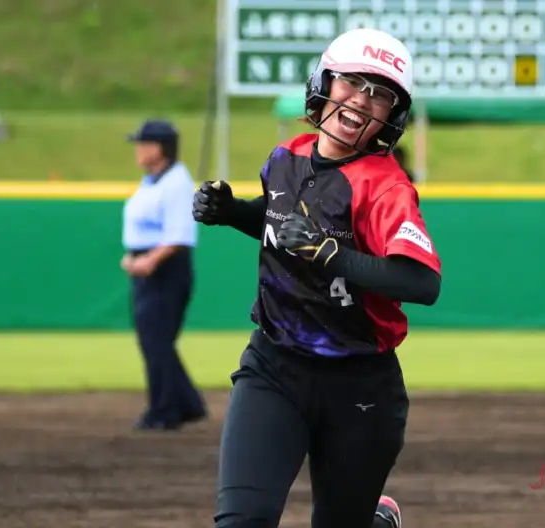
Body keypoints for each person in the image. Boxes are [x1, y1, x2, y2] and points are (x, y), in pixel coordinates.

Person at [192, 27, 441, 528]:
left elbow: (421, 284)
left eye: (381, 95)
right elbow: (284, 224)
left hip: (360, 385)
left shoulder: (386, 187)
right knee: (242, 521)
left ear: (392, 116)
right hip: (274, 365)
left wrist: (333, 255)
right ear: (324, 81)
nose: (363, 102)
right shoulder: (286, 157)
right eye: (353, 82)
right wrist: (234, 212)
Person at [122, 119, 207, 431]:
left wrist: (149, 260)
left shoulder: (176, 182)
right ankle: (186, 404)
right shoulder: (152, 181)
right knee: (154, 340)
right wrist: (133, 256)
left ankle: (164, 409)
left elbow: (179, 234)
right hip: (146, 268)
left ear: (159, 149)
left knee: (156, 341)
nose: (138, 150)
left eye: (143, 144)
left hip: (164, 270)